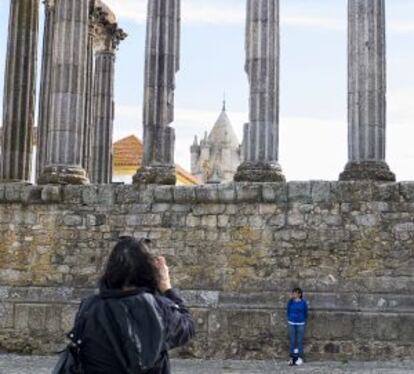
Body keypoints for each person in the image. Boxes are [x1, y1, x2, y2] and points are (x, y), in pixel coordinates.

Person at [70, 236, 194, 374]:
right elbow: (187, 327)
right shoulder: (159, 308)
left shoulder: (89, 306)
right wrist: (167, 287)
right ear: (148, 271)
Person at [287, 287, 308, 366]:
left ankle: (300, 357)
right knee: (292, 341)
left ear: (300, 294)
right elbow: (288, 310)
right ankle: (292, 357)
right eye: (293, 293)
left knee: (299, 341)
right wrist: (290, 318)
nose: (294, 294)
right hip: (291, 323)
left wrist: (302, 319)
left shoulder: (303, 303)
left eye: (296, 293)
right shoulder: (290, 302)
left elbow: (306, 312)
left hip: (300, 324)